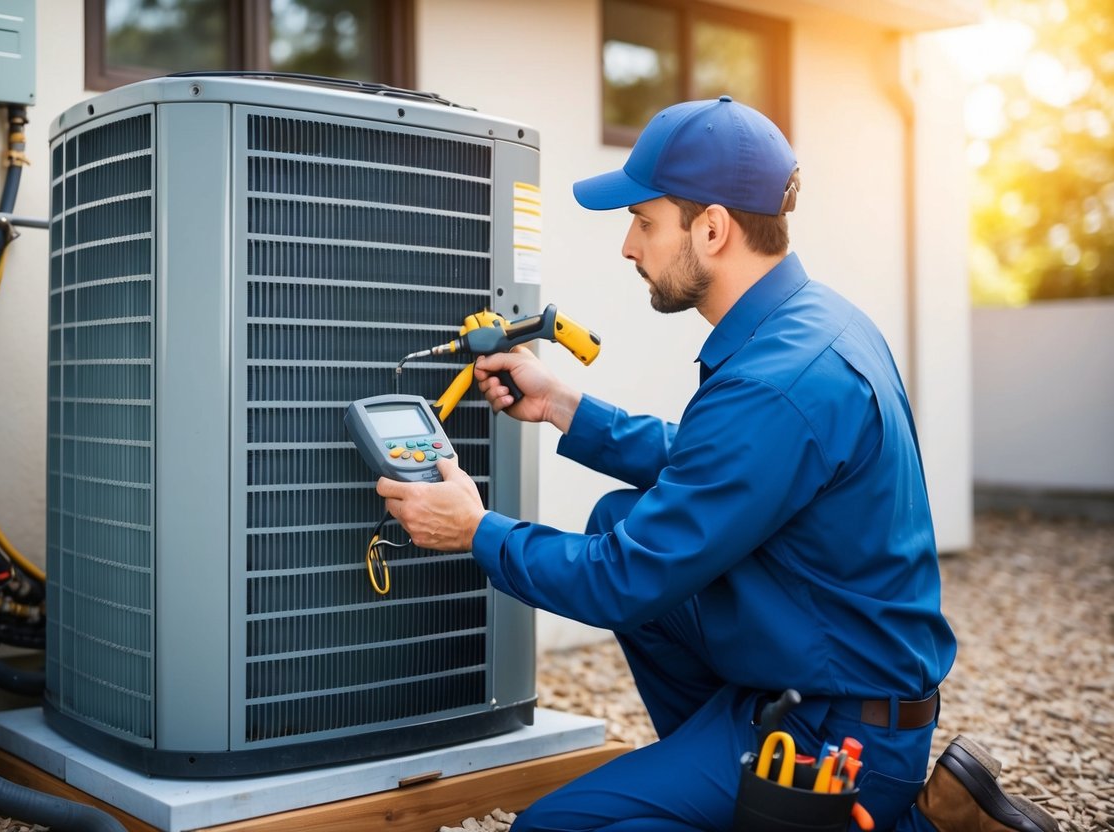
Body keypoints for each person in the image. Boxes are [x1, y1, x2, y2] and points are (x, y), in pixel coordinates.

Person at [377, 96, 1058, 832]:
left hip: (836, 737)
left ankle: (887, 824)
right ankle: (725, 783)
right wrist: (565, 407)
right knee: (621, 515)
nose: (628, 248)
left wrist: (475, 530)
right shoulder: (812, 323)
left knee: (556, 827)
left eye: (643, 222)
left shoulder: (777, 382)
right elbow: (717, 471)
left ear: (711, 228)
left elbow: (625, 579)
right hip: (815, 680)